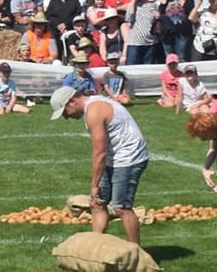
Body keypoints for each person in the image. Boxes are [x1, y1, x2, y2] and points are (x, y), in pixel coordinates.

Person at [60, 86, 151, 244]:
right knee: (97, 203)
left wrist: (94, 184)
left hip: (129, 158)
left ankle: (136, 253)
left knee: (121, 207)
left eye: (64, 112)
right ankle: (97, 246)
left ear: (72, 102)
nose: (66, 117)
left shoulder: (94, 111)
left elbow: (99, 152)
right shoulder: (93, 105)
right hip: (113, 156)